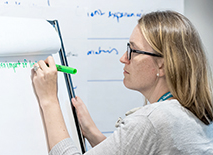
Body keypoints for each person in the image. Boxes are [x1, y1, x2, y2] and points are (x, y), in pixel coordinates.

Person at [31, 10, 213, 154]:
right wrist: (92, 133)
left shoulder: (152, 121)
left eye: (133, 51)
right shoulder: (191, 115)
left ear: (163, 66)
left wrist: (49, 100)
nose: (123, 58)